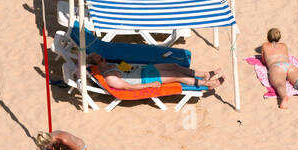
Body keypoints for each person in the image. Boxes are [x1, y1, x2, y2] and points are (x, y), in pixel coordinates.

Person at [85, 53, 224, 93]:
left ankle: (204, 74)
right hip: (145, 78)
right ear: (97, 63)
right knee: (178, 77)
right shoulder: (109, 78)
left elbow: (128, 69)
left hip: (144, 70)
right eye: (100, 59)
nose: (103, 58)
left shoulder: (109, 64)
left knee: (175, 66)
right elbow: (129, 87)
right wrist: (150, 84)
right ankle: (207, 84)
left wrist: (125, 66)